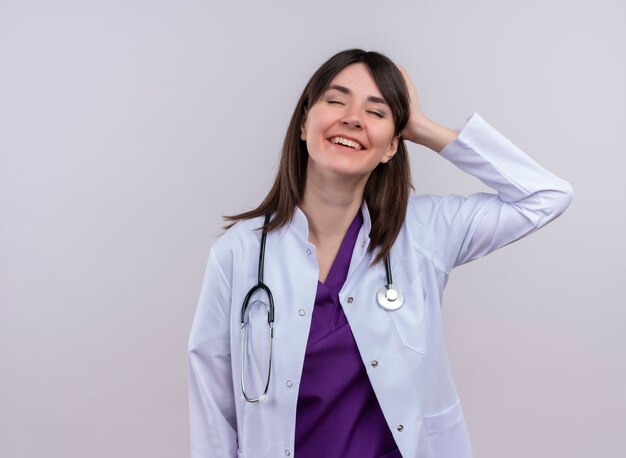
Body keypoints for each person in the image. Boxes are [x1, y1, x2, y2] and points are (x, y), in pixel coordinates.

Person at [187, 49, 573, 458]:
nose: (352, 118)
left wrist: (422, 127)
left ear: (393, 144)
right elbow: (213, 407)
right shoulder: (240, 252)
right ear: (304, 123)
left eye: (377, 112)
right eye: (336, 101)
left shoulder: (424, 233)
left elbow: (545, 197)